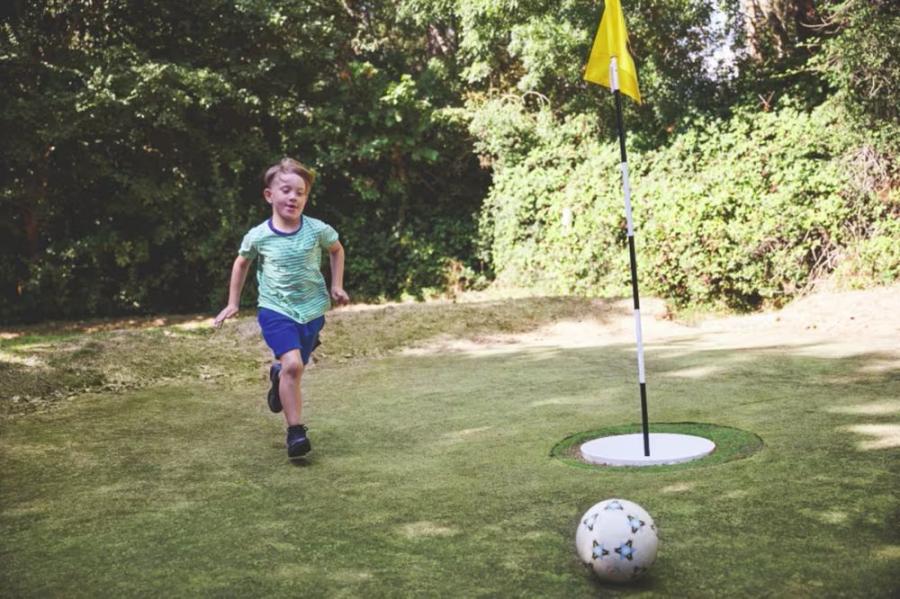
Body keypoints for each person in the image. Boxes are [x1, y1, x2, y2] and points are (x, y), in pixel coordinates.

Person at [214, 157, 349, 459]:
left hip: (312, 310)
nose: (293, 197)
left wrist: (336, 285)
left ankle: (277, 376)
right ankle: (296, 432)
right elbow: (242, 262)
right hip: (275, 311)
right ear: (269, 195)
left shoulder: (317, 230)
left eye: (300, 192)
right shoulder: (259, 235)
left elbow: (337, 250)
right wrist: (233, 302)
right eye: (286, 190)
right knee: (294, 365)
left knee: (292, 368)